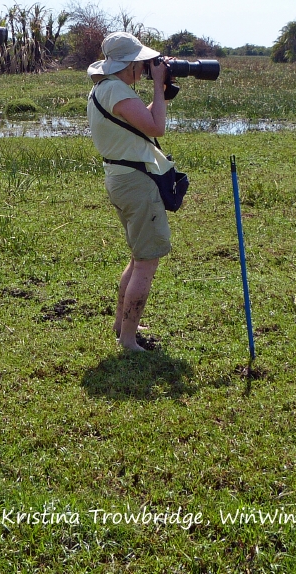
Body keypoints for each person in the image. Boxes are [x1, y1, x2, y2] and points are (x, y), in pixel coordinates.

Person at [86, 32, 174, 352]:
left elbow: (141, 120)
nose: (145, 67)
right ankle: (128, 338)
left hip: (121, 178)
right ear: (129, 65)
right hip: (136, 183)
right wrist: (158, 86)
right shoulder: (116, 90)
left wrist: (162, 92)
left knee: (138, 257)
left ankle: (122, 324)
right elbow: (156, 127)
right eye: (141, 63)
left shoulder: (105, 88)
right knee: (147, 261)